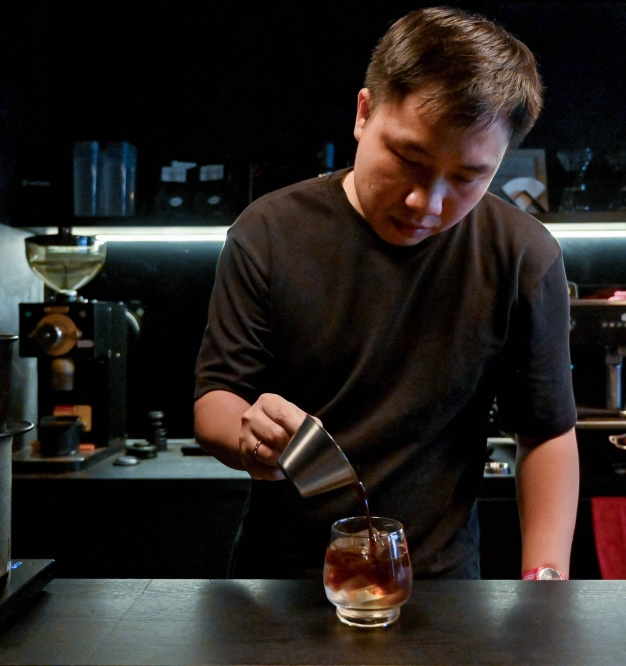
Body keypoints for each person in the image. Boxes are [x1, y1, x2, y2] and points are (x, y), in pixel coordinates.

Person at [194, 7, 578, 580]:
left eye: (467, 177)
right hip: (278, 583)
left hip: (440, 584)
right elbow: (215, 400)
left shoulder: (523, 254)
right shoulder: (269, 232)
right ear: (364, 113)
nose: (427, 202)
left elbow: (545, 431)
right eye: (408, 158)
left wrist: (546, 582)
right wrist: (248, 435)